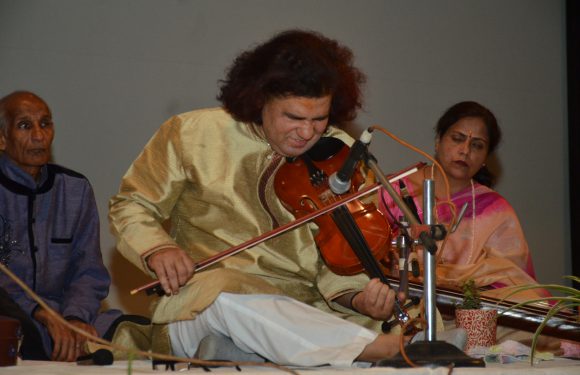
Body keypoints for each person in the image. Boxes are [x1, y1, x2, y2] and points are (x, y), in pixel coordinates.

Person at [109, 30, 463, 367]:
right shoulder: (191, 134)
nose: (307, 132)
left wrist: (359, 298)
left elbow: (341, 261)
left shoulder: (339, 155)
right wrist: (158, 248)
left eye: (319, 118)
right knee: (225, 295)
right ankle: (374, 349)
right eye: (293, 117)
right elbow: (131, 204)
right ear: (259, 99)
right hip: (204, 305)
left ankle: (246, 353)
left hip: (307, 312)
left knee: (418, 316)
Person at [0, 91, 125, 361]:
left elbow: (89, 272)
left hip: (66, 320)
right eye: (24, 125)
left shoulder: (75, 189)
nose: (39, 135)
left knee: (131, 330)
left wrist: (75, 318)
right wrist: (39, 312)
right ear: (2, 137)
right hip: (12, 318)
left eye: (45, 124)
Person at [378, 101, 539, 300]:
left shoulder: (494, 210)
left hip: (468, 315)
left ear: (485, 158)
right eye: (457, 139)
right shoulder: (392, 191)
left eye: (477, 145)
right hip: (397, 304)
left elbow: (514, 283)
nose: (465, 150)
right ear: (438, 140)